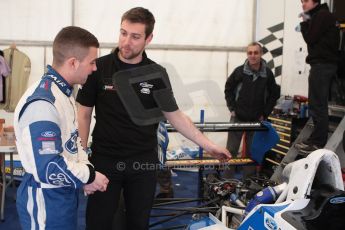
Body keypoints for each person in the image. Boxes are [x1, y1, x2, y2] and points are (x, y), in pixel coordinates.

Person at [76, 7, 231, 230]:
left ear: (149, 38)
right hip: (105, 160)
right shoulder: (99, 68)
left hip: (143, 163)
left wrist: (209, 145)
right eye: (123, 33)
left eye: (135, 36)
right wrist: (83, 160)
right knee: (98, 222)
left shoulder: (156, 73)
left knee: (138, 223)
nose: (126, 41)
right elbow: (83, 114)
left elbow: (176, 117)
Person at [13, 26, 109, 230]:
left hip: (63, 193)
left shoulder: (63, 93)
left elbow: (73, 142)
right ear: (73, 63)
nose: (95, 68)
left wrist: (87, 170)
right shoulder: (43, 102)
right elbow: (48, 166)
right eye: (92, 62)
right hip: (45, 197)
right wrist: (89, 176)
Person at [224, 42, 280, 179]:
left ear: (261, 54)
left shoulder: (267, 74)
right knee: (230, 151)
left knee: (251, 152)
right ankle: (226, 181)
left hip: (256, 119)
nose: (253, 56)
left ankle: (248, 181)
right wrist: (232, 108)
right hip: (238, 117)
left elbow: (274, 94)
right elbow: (228, 89)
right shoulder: (239, 71)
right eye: (250, 53)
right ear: (247, 54)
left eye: (256, 52)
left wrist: (265, 113)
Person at [294, 0, 340, 155]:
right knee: (317, 104)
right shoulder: (323, 15)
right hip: (324, 65)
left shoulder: (321, 16)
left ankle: (318, 142)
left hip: (322, 65)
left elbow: (310, 38)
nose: (303, 4)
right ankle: (316, 139)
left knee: (317, 104)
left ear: (315, 2)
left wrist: (305, 21)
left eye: (305, 1)